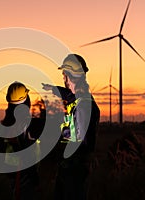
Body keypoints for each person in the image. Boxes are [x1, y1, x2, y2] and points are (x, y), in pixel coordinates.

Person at [49, 54, 100, 200]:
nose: (63, 79)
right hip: (69, 166)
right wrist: (53, 89)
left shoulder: (84, 105)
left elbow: (80, 140)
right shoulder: (77, 98)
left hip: (75, 168)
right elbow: (67, 94)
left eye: (65, 75)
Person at [2, 81, 43, 200]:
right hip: (23, 175)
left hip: (13, 173)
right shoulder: (21, 125)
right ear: (27, 101)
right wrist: (35, 180)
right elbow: (26, 154)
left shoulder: (9, 122)